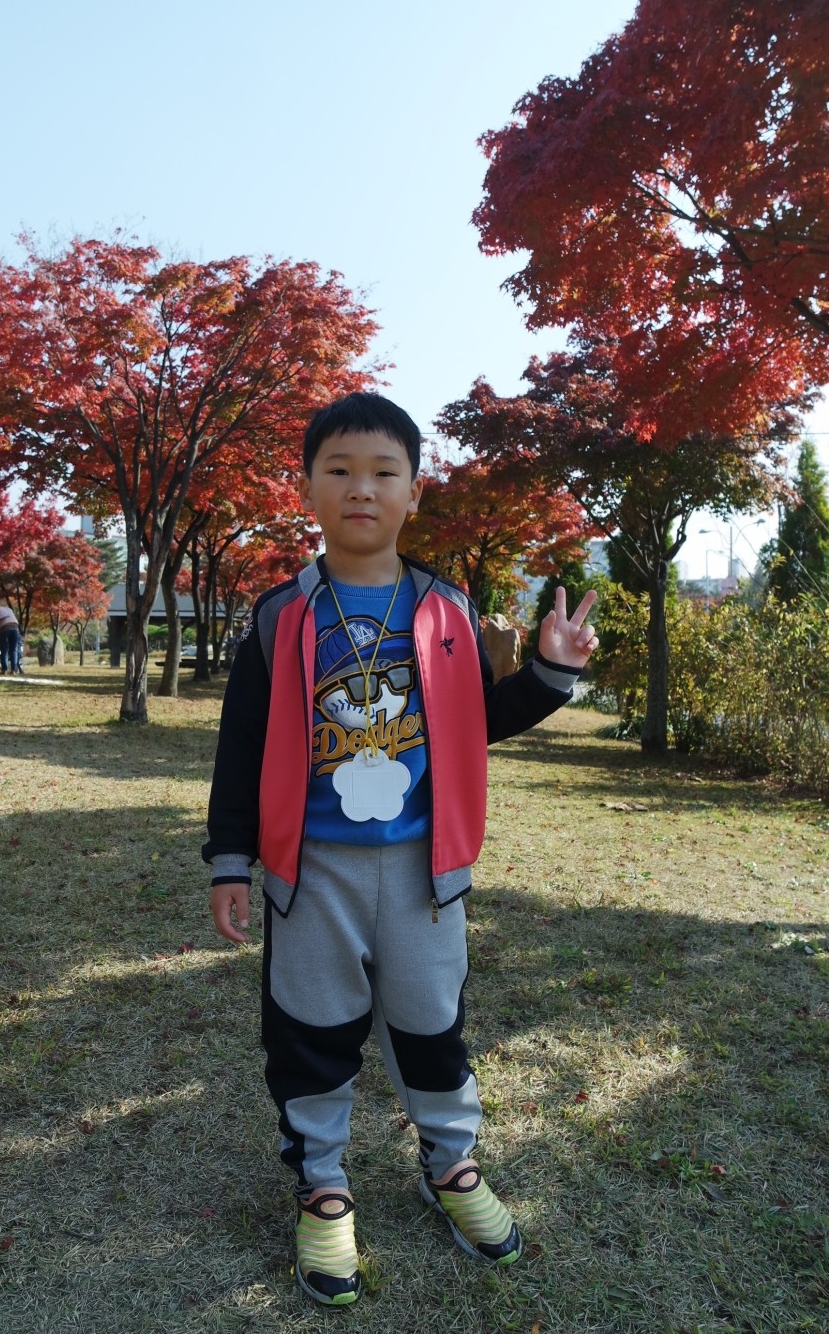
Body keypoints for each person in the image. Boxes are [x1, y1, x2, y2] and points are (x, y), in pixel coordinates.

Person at [202, 392, 598, 1307]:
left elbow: (473, 723)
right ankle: (322, 1184)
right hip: (313, 874)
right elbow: (241, 746)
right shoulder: (279, 615)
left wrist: (552, 674)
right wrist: (230, 859)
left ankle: (450, 1167)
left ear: (414, 492)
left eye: (384, 472)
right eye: (338, 470)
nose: (361, 489)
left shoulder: (445, 607)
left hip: (426, 872)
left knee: (431, 1025)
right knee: (310, 1030)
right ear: (307, 489)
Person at [0, 593, 20, 674]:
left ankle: (4, 670)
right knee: (14, 649)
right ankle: (13, 670)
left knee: (4, 649)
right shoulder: (8, 609)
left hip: (5, 628)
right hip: (15, 627)